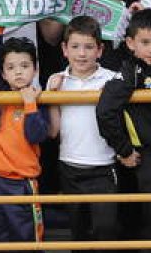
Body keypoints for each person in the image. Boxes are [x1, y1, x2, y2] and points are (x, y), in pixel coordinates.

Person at [96, 9, 151, 241]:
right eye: (145, 42)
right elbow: (105, 111)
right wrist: (124, 149)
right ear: (130, 43)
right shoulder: (130, 71)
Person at [46, 17, 122, 245]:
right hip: (69, 166)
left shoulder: (112, 79)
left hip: (104, 166)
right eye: (75, 47)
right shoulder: (56, 80)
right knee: (78, 234)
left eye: (89, 47)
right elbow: (52, 132)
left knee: (105, 229)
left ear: (100, 50)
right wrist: (53, 98)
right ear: (64, 49)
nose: (81, 54)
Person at [0, 27, 48, 244]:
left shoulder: (37, 99)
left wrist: (30, 104)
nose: (18, 72)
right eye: (11, 67)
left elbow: (35, 135)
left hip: (23, 184)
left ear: (35, 70)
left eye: (25, 66)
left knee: (26, 240)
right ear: (3, 73)